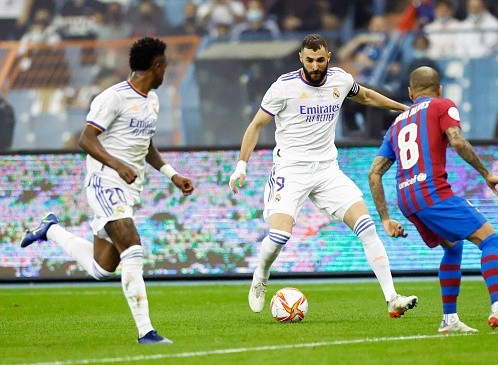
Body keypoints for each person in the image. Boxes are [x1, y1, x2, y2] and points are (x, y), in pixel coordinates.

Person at [228, 34, 418, 318]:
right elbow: (256, 125)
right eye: (309, 60)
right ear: (301, 59)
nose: (315, 66)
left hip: (328, 170)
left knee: (366, 226)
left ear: (328, 56)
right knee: (279, 235)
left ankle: (392, 297)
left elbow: (365, 95)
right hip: (291, 170)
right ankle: (260, 277)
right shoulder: (283, 87)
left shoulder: (340, 80)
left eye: (320, 60)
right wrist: (242, 164)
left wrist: (404, 109)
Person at [20, 37, 194, 344]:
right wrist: (116, 164)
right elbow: (86, 139)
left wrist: (172, 174)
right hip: (104, 182)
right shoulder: (112, 98)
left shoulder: (151, 101)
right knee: (134, 248)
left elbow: (144, 145)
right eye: (165, 65)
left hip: (129, 189)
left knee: (103, 269)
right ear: (157, 66)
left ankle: (51, 230)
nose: (166, 70)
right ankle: (146, 332)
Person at [368, 66, 498, 333]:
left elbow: (374, 173)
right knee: (492, 239)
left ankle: (450, 320)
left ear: (411, 93)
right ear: (439, 89)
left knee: (453, 247)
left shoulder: (397, 124)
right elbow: (457, 142)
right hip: (433, 193)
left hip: (407, 199)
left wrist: (386, 219)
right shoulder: (442, 105)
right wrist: (486, 173)